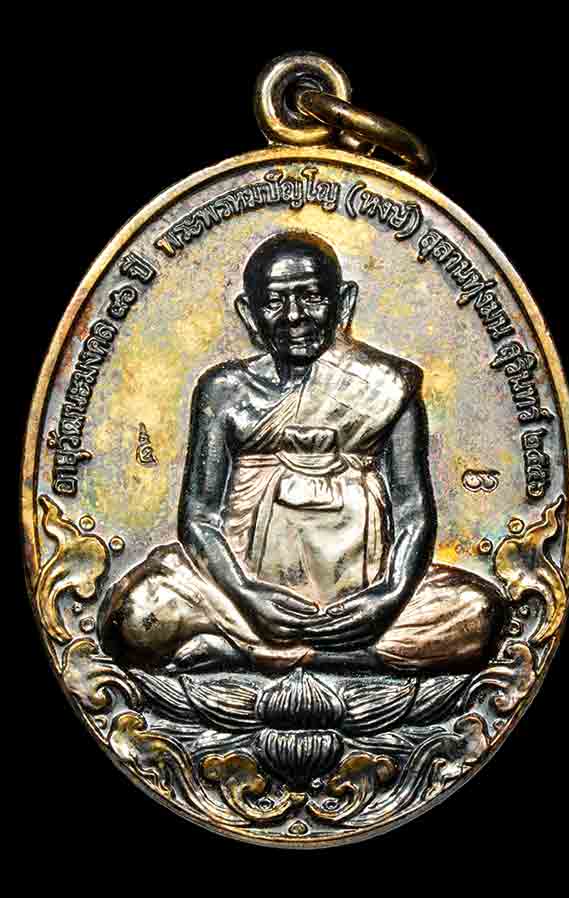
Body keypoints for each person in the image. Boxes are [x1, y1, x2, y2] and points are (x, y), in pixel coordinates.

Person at [100, 232, 503, 673]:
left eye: (311, 297)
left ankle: (258, 655)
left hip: (361, 599)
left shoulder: (389, 386)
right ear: (249, 313)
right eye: (275, 302)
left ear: (343, 302)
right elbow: (199, 516)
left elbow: (412, 510)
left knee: (478, 614)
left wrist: (390, 594)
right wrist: (245, 593)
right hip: (241, 597)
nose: (294, 316)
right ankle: (334, 658)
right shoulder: (225, 391)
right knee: (133, 617)